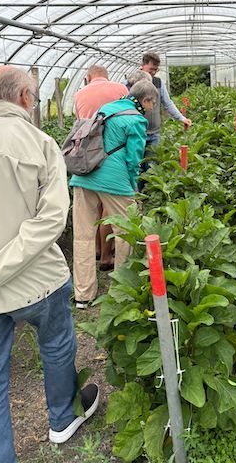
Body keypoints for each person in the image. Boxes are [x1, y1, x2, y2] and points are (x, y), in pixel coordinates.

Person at [0, 66, 99, 463]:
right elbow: (50, 221)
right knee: (57, 345)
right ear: (25, 98)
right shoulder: (39, 143)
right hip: (37, 282)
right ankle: (62, 418)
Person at [70, 80, 158, 309]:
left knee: (82, 237)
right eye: (152, 104)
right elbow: (134, 159)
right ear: (146, 100)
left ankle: (83, 295)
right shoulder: (137, 120)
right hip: (114, 180)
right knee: (126, 233)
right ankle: (121, 289)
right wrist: (132, 186)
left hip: (83, 175)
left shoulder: (106, 109)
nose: (152, 109)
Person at [74, 65, 128, 269]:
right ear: (107, 76)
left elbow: (80, 123)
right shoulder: (120, 90)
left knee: (91, 209)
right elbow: (128, 119)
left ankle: (96, 250)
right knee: (109, 208)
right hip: (113, 153)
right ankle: (107, 257)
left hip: (86, 155)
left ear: (89, 77)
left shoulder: (79, 94)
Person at [138, 52, 193, 174]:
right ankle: (140, 187)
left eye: (156, 69)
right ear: (143, 65)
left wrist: (181, 118)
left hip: (154, 133)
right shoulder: (131, 82)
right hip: (137, 133)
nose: (153, 72)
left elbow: (168, 103)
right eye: (151, 69)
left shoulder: (158, 82)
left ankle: (150, 186)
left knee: (152, 166)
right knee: (138, 167)